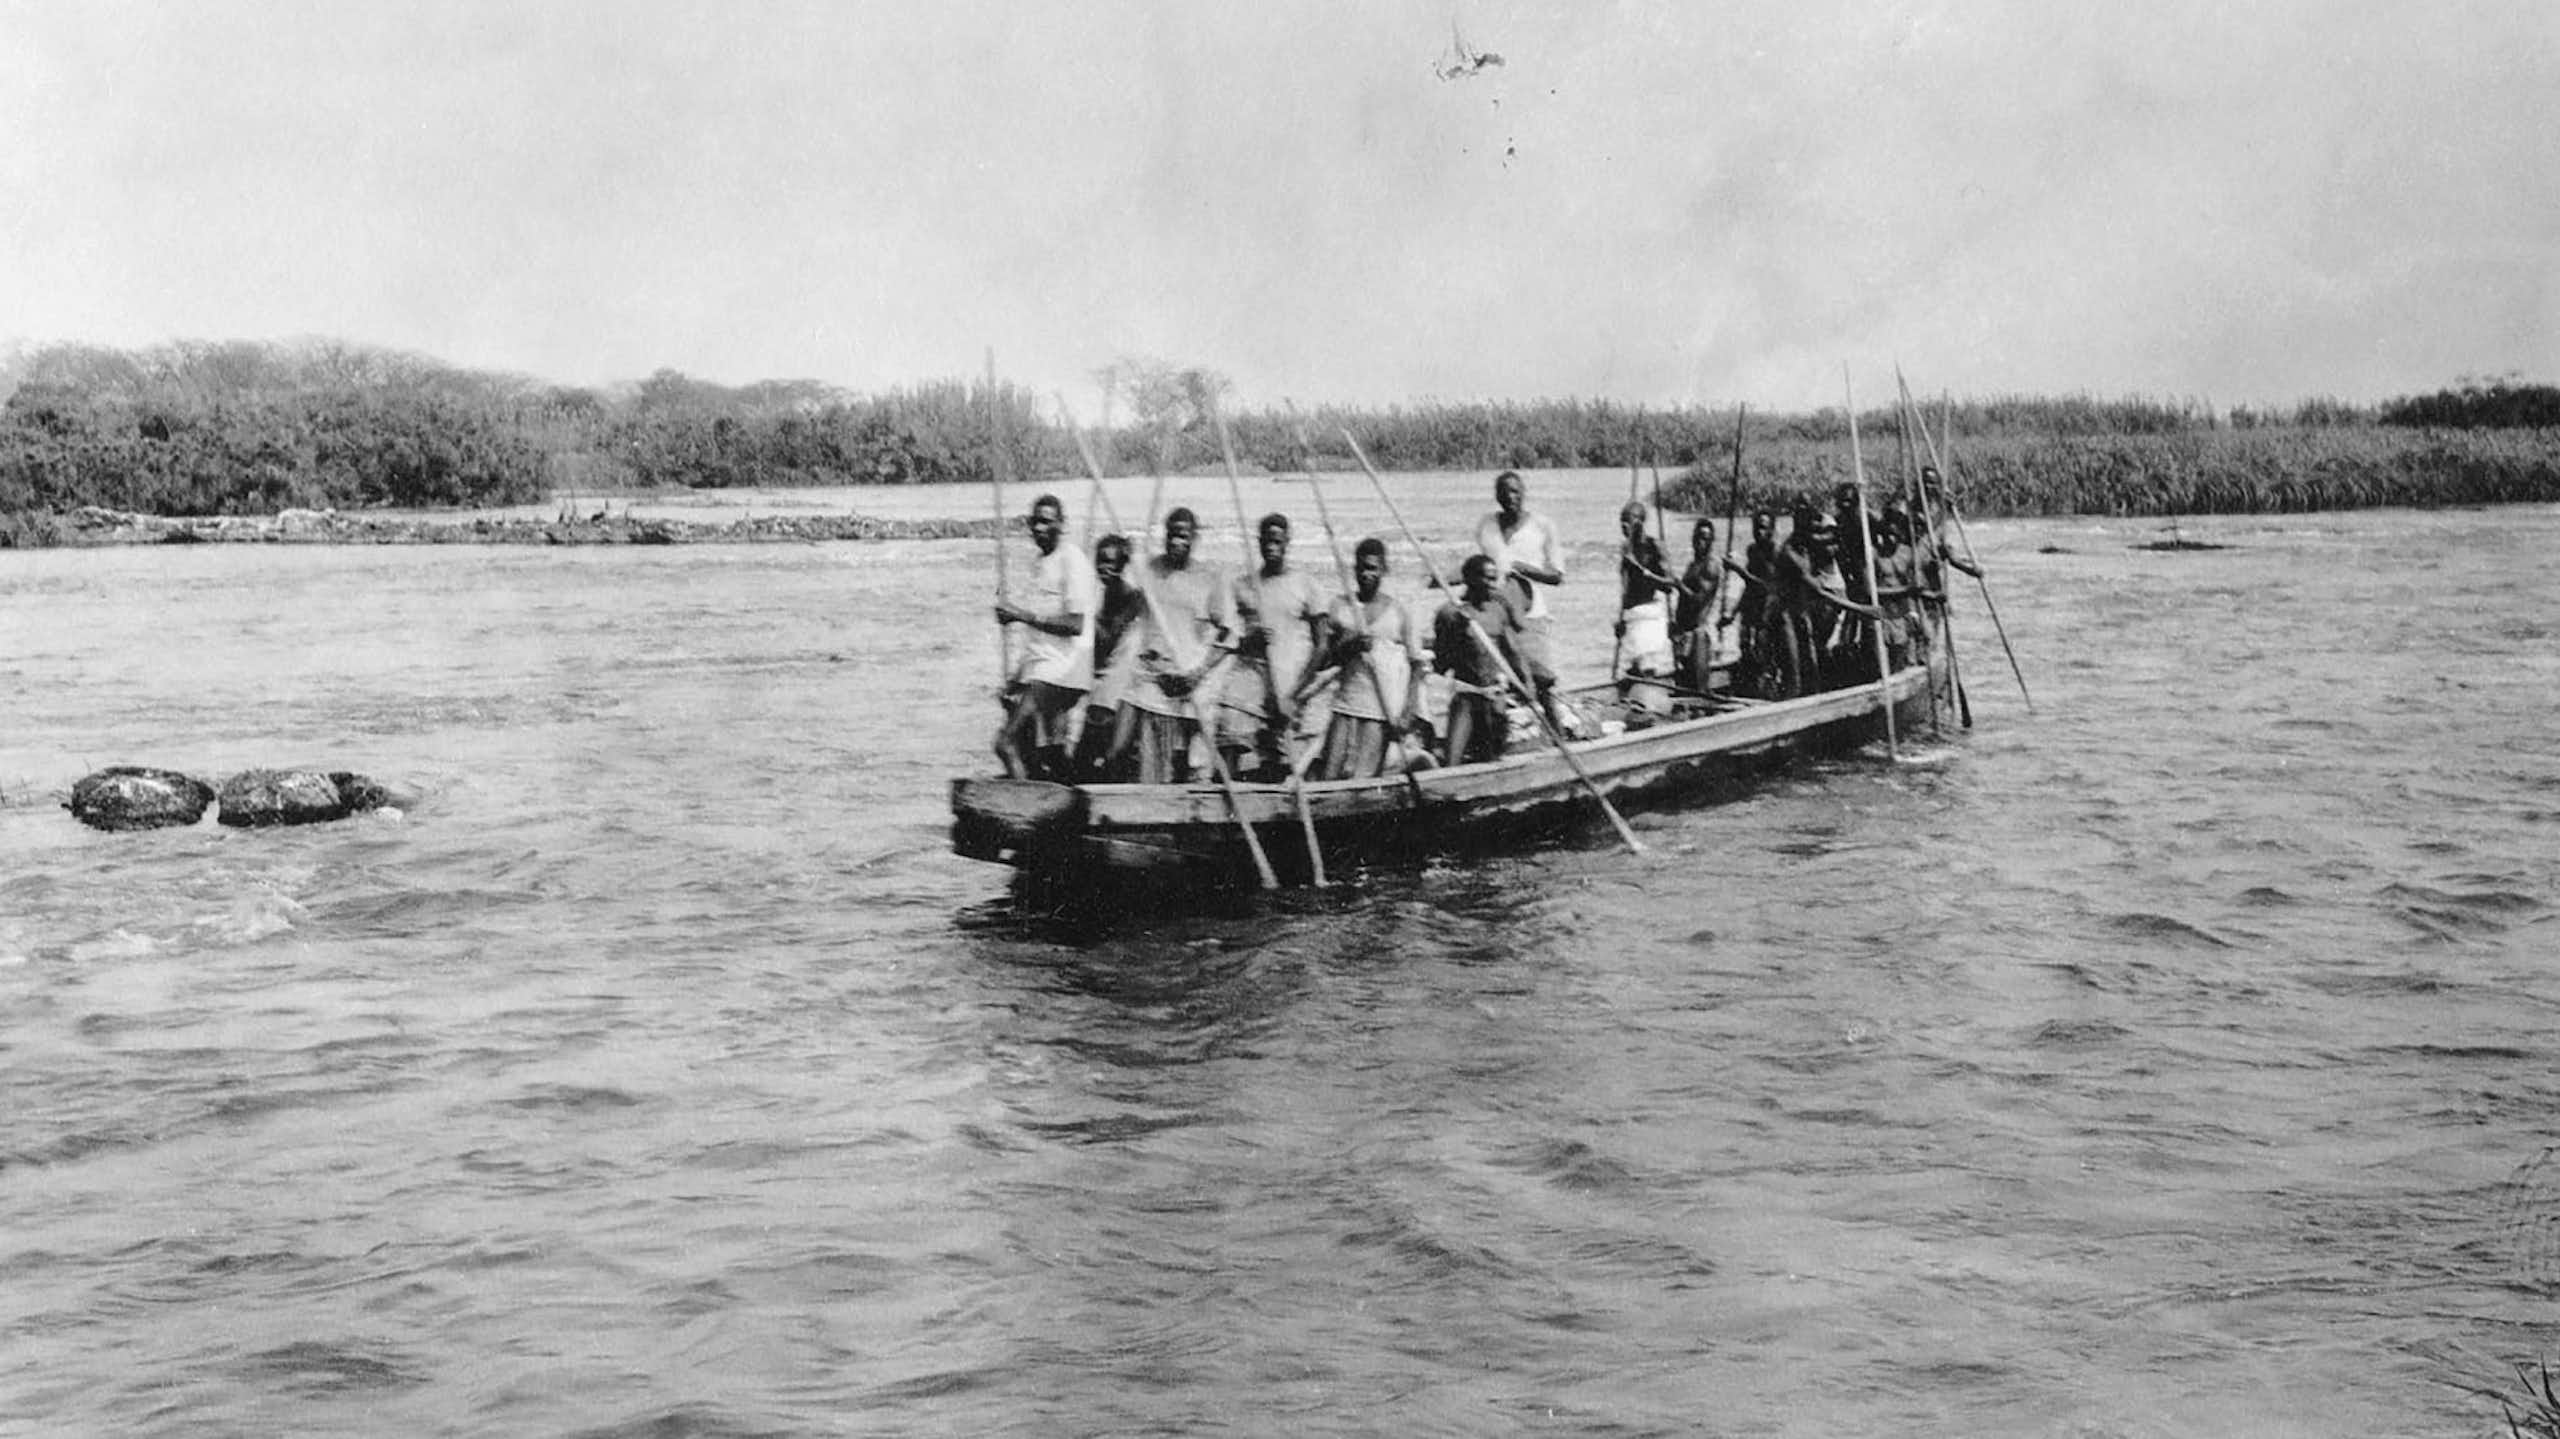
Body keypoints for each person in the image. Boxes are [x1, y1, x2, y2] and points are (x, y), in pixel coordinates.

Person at [1120, 507, 1233, 784]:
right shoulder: (1150, 570)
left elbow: (1229, 636)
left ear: (1194, 538)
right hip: (1155, 681)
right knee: (1152, 767)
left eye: (1183, 536)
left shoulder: (1209, 578)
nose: (1176, 542)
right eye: (1171, 535)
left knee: (1194, 769)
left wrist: (1199, 672)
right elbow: (1128, 605)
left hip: (1192, 682)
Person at [1298, 537, 1425, 779]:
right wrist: (1351, 645)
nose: (1366, 574)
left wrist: (1409, 708)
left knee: (1364, 776)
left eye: (1373, 568)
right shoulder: (1341, 606)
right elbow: (1328, 659)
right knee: (1330, 772)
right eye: (1362, 568)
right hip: (1346, 701)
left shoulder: (1398, 611)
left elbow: (1416, 664)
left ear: (1383, 570)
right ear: (1354, 570)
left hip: (1381, 707)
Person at [992, 493, 1098, 780]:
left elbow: (1075, 624)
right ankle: (1065, 796)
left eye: (1046, 522)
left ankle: (1025, 807)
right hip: (1042, 669)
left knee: (1006, 742)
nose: (1038, 528)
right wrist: (1015, 678)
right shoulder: (1039, 563)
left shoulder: (1072, 560)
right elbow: (1036, 637)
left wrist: (1019, 614)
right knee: (1049, 752)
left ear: (1061, 524)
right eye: (1034, 522)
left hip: (1064, 671)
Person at [1219, 513, 1332, 781]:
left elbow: (1322, 646)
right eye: (1266, 541)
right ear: (1259, 543)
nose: (1271, 547)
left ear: (1286, 543)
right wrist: (1250, 642)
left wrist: (1294, 695)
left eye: (1277, 541)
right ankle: (1231, 796)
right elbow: (1231, 642)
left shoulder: (1307, 585)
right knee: (1230, 730)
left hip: (1293, 681)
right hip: (1254, 679)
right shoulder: (1244, 586)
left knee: (1291, 757)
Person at [1474, 469, 1569, 733]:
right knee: (1497, 679)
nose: (1510, 497)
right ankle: (1498, 739)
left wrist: (1519, 567)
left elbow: (1557, 576)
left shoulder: (1542, 526)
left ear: (1524, 494)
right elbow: (1481, 568)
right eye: (1504, 492)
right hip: (1495, 614)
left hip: (1530, 615)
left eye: (1515, 491)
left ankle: (1557, 734)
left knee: (1541, 679)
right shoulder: (1487, 525)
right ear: (1497, 496)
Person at [1433, 553, 1529, 766]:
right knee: (1451, 763)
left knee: (1492, 758)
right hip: (1467, 694)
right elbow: (1441, 664)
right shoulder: (1450, 614)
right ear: (1469, 579)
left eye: (1494, 578)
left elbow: (1514, 652)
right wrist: (1458, 630)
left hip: (1495, 696)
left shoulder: (1498, 610)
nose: (1492, 585)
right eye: (1487, 578)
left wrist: (1527, 687)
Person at [1070, 532, 1148, 780]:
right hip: (1105, 674)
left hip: (1121, 678)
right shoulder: (1105, 594)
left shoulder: (1132, 596)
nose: (1103, 568)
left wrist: (1086, 612)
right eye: (1100, 561)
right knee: (1085, 750)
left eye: (1110, 563)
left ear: (1122, 566)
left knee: (1099, 747)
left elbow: (1110, 635)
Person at [1614, 500, 1676, 682]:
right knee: (1632, 672)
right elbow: (1626, 589)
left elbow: (1670, 585)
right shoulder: (1626, 548)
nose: (1624, 526)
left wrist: (1644, 572)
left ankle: (1649, 702)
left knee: (1646, 669)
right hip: (1632, 617)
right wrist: (1621, 620)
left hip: (1649, 617)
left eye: (1628, 521)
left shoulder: (1655, 546)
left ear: (1640, 522)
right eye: (1621, 521)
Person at [1668, 516, 1721, 693]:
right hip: (1684, 633)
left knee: (1699, 688)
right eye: (1698, 537)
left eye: (1705, 539)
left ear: (1711, 542)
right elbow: (1685, 600)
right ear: (1692, 539)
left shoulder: (1710, 566)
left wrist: (1679, 585)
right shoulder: (1693, 565)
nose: (1700, 542)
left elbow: (1699, 600)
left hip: (1699, 634)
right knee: (1684, 685)